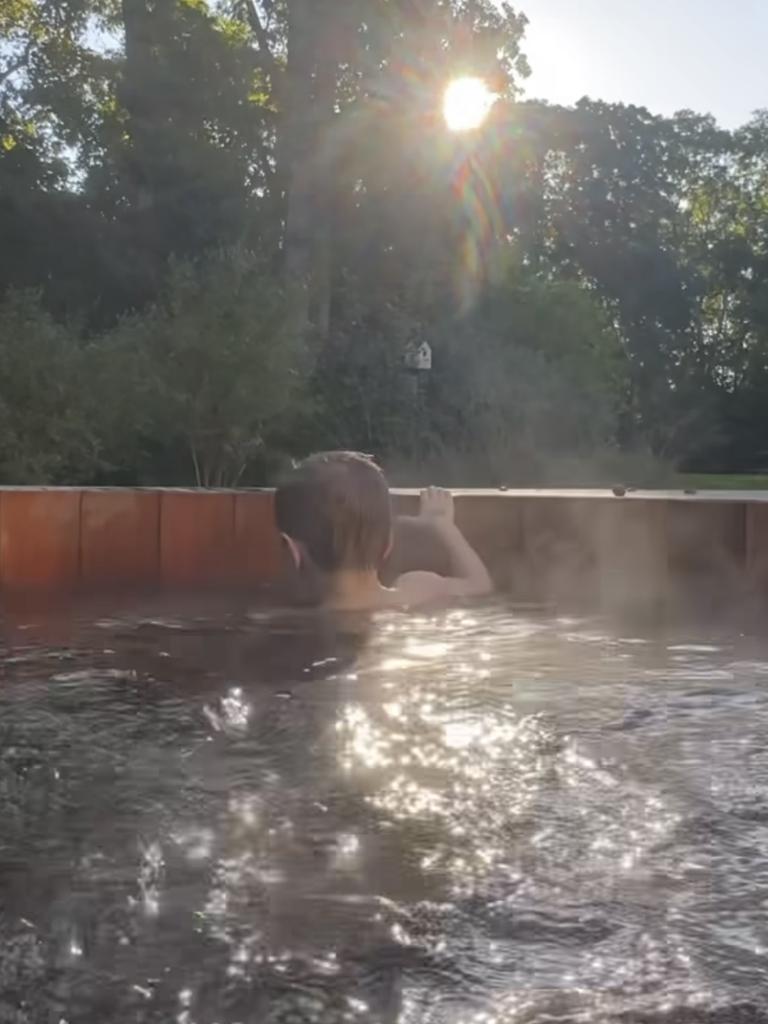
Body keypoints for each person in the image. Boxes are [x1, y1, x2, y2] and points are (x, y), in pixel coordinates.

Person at [274, 451, 493, 610]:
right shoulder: (418, 591)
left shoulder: (293, 619)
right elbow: (480, 585)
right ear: (388, 543)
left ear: (293, 551)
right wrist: (443, 525)